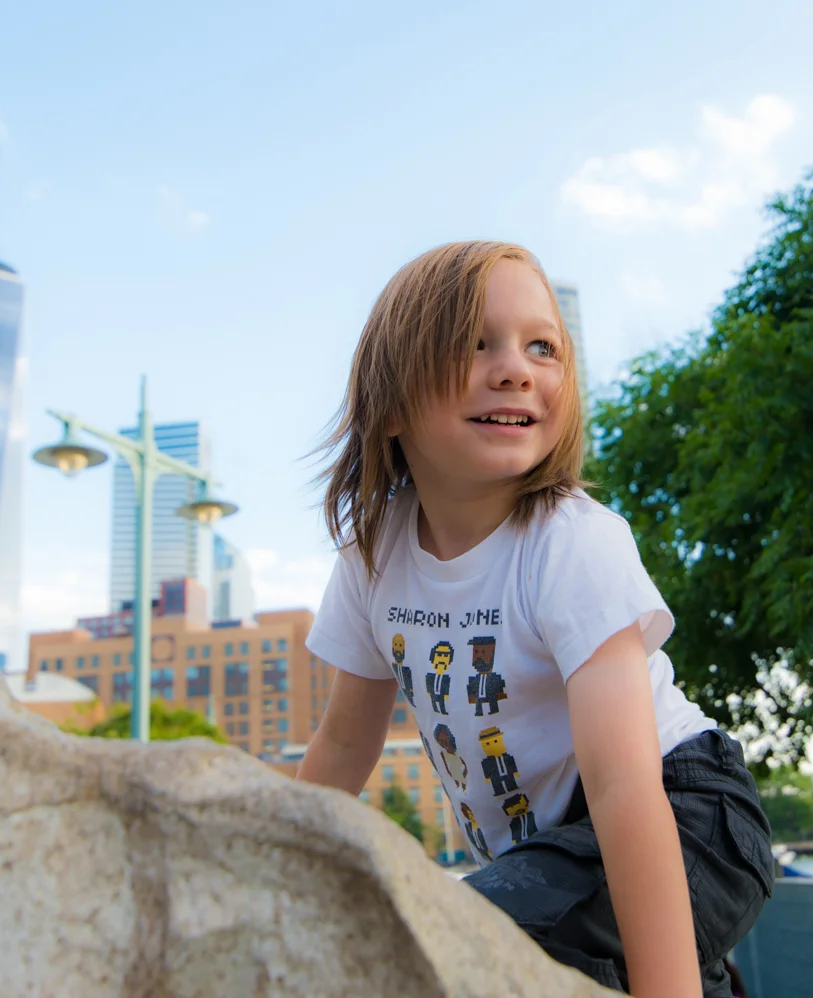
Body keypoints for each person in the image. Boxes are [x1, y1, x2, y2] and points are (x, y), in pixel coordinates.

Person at [296, 241, 775, 997]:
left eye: (541, 346)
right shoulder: (373, 557)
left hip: (684, 814)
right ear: (388, 405)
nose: (515, 366)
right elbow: (344, 744)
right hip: (557, 851)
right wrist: (260, 862)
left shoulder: (571, 543)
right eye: (472, 343)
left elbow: (624, 790)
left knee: (456, 940)